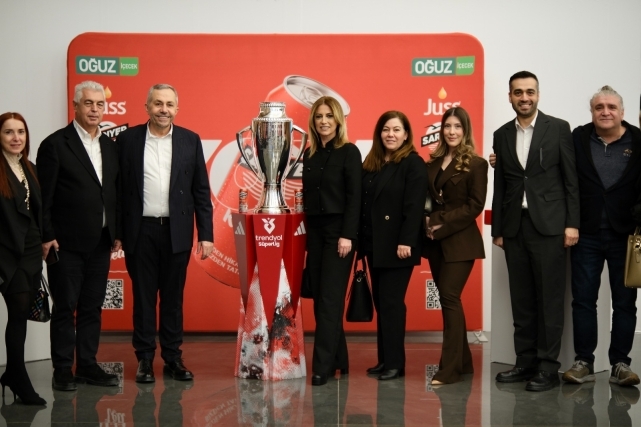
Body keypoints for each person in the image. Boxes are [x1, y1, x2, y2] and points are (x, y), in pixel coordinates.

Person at [117, 84, 213, 383]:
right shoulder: (128, 139)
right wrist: (117, 232)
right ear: (147, 107)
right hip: (140, 231)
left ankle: (173, 358)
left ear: (177, 109)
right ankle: (145, 359)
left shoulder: (190, 140)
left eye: (169, 104)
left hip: (177, 231)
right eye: (158, 103)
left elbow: (201, 190)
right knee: (144, 299)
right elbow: (118, 190)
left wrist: (206, 234)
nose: (163, 109)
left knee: (173, 299)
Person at [491, 71, 580, 392]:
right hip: (515, 227)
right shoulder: (501, 134)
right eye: (518, 92)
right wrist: (498, 229)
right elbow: (501, 185)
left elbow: (571, 180)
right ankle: (524, 362)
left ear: (538, 95)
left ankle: (547, 367)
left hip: (551, 226)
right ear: (510, 96)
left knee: (549, 300)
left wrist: (572, 223)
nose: (524, 97)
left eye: (529, 91)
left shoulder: (558, 128)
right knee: (522, 299)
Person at [37, 81, 121, 391]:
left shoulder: (110, 146)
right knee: (65, 306)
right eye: (88, 103)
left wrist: (117, 231)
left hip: (101, 241)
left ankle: (86, 364)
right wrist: (46, 236)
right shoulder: (55, 144)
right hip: (64, 244)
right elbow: (44, 197)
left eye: (100, 104)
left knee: (92, 306)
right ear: (75, 106)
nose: (95, 109)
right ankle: (62, 368)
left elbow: (112, 193)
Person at [561, 86, 641, 386]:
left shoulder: (639, 140)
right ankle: (584, 361)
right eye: (599, 107)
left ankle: (620, 364)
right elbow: (554, 165)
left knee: (625, 302)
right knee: (583, 301)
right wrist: (501, 159)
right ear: (592, 111)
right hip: (586, 234)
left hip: (627, 236)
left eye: (611, 107)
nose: (605, 112)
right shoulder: (578, 138)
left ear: (622, 112)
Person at [360, 110, 428, 380]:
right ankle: (385, 359)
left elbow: (414, 207)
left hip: (399, 247)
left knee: (391, 303)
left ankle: (395, 364)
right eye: (386, 129)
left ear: (406, 134)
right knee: (381, 302)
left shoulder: (413, 163)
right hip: (375, 244)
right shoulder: (373, 162)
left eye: (396, 130)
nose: (391, 134)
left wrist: (406, 241)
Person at [423, 107, 487, 384]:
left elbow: (475, 206)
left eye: (457, 127)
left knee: (449, 298)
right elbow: (427, 200)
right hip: (435, 241)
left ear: (465, 130)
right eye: (447, 126)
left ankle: (449, 370)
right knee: (449, 300)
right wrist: (427, 221)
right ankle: (464, 363)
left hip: (461, 242)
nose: (451, 131)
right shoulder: (432, 162)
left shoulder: (476, 164)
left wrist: (440, 221)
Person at [302, 96, 362, 386]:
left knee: (329, 300)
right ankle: (340, 359)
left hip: (340, 233)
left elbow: (355, 197)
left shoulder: (349, 152)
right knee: (320, 299)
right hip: (314, 233)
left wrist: (348, 235)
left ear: (338, 120)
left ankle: (321, 367)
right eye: (319, 116)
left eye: (329, 116)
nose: (323, 121)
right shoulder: (309, 154)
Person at [0, 113, 46, 405]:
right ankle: (18, 376)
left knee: (21, 315)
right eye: (8, 132)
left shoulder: (30, 168)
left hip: (31, 252)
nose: (16, 138)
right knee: (17, 314)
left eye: (21, 131)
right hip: (6, 254)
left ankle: (13, 373)